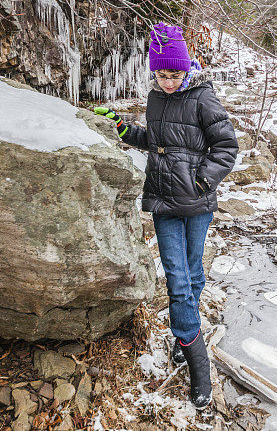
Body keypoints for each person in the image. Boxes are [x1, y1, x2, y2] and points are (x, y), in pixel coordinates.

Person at [94, 22, 238, 410]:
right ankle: (200, 366)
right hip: (163, 205)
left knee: (193, 274)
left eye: (175, 74)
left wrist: (204, 182)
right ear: (155, 71)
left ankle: (181, 339)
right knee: (178, 282)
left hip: (197, 204)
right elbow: (155, 141)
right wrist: (124, 129)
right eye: (163, 74)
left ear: (187, 68)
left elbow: (227, 145)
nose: (170, 81)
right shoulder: (155, 98)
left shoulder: (203, 98)